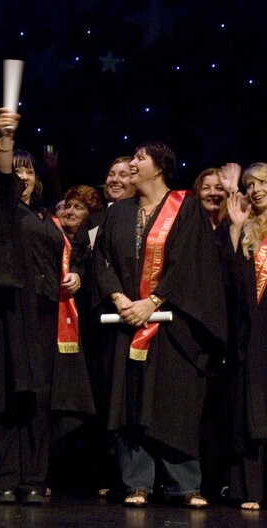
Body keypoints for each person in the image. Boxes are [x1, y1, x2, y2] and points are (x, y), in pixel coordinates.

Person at [0, 110, 94, 504]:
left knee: (37, 398)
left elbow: (62, 259)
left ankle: (33, 477)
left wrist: (75, 278)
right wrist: (6, 141)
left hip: (42, 314)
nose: (23, 177)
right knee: (4, 394)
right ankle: (3, 475)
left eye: (29, 172)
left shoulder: (45, 216)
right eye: (16, 172)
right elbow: (0, 181)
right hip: (3, 312)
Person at [93, 142, 225, 507]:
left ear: (159, 168)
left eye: (138, 158)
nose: (131, 164)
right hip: (126, 322)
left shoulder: (187, 209)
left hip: (172, 326)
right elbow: (101, 259)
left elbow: (189, 261)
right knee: (129, 402)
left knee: (173, 402)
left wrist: (152, 301)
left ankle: (184, 484)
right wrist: (120, 300)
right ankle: (136, 482)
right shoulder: (118, 211)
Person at [218, 164, 267, 511]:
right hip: (251, 333)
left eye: (263, 182)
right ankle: (251, 488)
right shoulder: (245, 227)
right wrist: (235, 227)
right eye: (250, 185)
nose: (256, 189)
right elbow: (229, 277)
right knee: (250, 410)